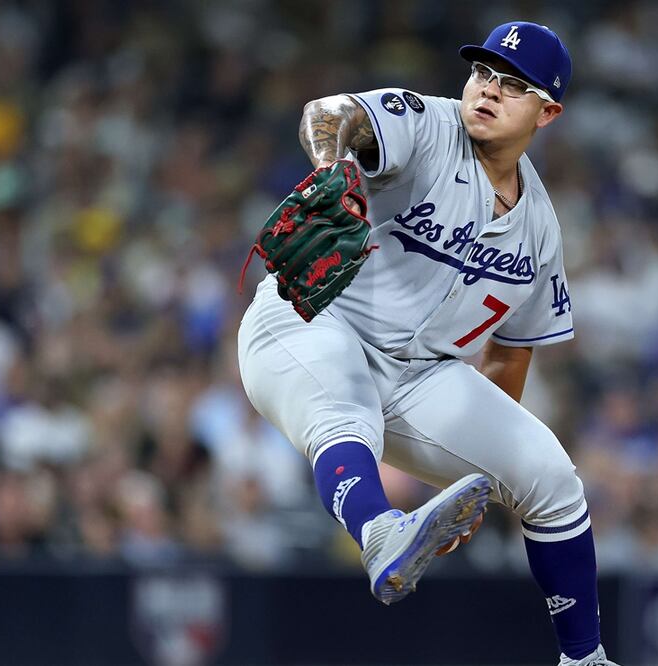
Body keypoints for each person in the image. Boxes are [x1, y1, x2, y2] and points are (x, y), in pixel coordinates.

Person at [238, 21, 617, 665]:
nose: (489, 90)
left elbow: (510, 352)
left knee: (551, 477)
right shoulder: (428, 124)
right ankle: (380, 533)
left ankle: (585, 659)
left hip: (417, 372)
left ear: (547, 112)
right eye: (483, 73)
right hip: (308, 320)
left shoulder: (542, 230)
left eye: (513, 84)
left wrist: (484, 470)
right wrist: (335, 167)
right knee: (345, 402)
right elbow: (330, 114)